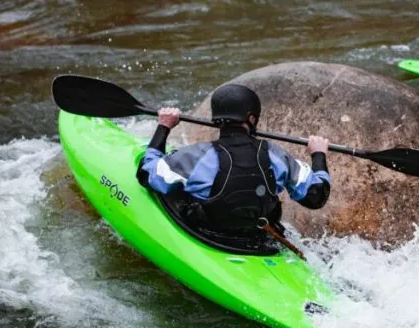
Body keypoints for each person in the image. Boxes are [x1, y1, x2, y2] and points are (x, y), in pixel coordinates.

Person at [136, 82, 331, 243]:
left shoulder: (195, 156)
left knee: (178, 187)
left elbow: (145, 172)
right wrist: (318, 154)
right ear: (251, 118)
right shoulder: (276, 155)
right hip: (257, 239)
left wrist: (164, 127)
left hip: (208, 235)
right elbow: (316, 196)